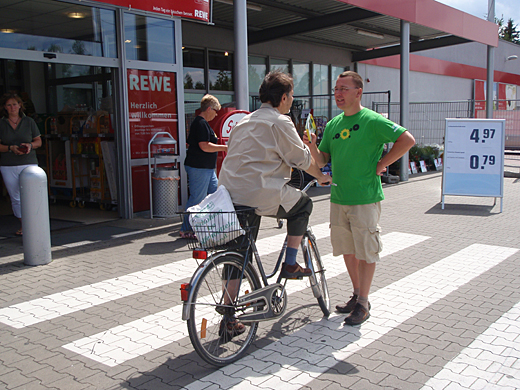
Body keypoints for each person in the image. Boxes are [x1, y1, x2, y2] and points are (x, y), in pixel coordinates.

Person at [305, 71, 415, 326]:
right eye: (336, 89)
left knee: (366, 252)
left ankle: (364, 303)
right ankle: (357, 294)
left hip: (365, 197)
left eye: (344, 88)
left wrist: (381, 164)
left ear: (358, 92)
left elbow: (406, 140)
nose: (338, 94)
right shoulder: (334, 124)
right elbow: (322, 161)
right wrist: (312, 146)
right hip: (339, 197)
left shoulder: (372, 120)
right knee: (348, 250)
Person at [219, 71, 332, 279]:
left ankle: (228, 306)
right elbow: (303, 160)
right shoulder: (281, 121)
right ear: (283, 98)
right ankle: (290, 264)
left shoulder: (242, 122)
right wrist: (321, 176)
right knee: (304, 205)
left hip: (229, 194)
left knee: (238, 254)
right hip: (260, 193)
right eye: (291, 96)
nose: (291, 101)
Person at [180, 94, 227, 239]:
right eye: (215, 110)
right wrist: (225, 148)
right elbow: (204, 146)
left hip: (206, 168)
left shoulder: (203, 123)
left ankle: (211, 225)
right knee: (197, 198)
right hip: (199, 167)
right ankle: (186, 229)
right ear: (208, 109)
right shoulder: (200, 123)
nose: (216, 113)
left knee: (214, 195)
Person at [0, 92, 42, 236]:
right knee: (15, 196)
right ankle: (24, 224)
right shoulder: (1, 123)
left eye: (15, 104)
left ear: (20, 105)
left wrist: (30, 146)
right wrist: (10, 148)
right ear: (5, 107)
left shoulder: (29, 121)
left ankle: (35, 223)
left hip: (28, 163)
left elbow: (39, 141)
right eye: (9, 105)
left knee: (32, 194)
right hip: (8, 164)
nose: (12, 107)